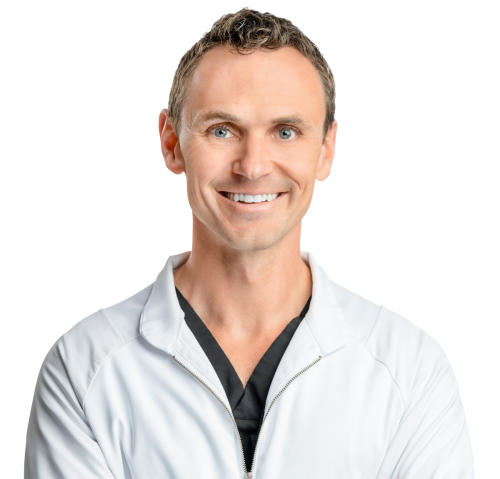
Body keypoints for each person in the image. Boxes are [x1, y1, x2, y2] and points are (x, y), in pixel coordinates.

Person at [24, 7, 474, 478]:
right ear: (172, 143)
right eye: (222, 130)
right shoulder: (84, 368)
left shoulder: (409, 370)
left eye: (285, 132)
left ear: (326, 148)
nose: (253, 166)